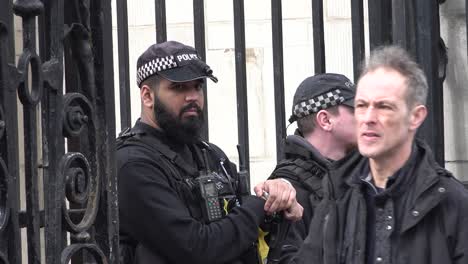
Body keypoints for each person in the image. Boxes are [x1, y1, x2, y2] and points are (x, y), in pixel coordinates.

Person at [116, 40, 303, 264]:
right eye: (178, 87)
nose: (192, 96)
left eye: (197, 86)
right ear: (147, 96)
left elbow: (242, 228)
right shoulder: (132, 164)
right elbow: (195, 248)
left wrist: (275, 201)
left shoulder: (211, 155)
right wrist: (257, 206)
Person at [293, 45, 468, 264]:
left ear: (415, 116)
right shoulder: (338, 191)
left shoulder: (451, 201)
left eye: (384, 106)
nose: (368, 118)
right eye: (361, 105)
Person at [266, 73, 359, 264]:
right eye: (356, 109)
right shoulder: (289, 190)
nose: (368, 117)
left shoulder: (357, 175)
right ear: (325, 120)